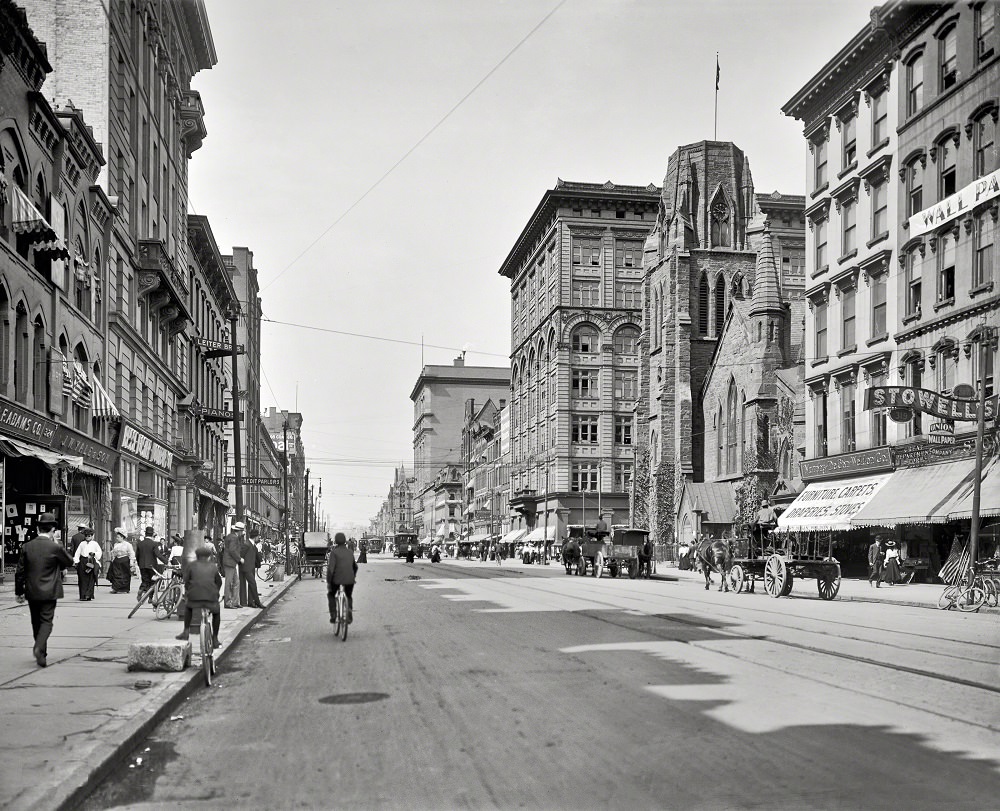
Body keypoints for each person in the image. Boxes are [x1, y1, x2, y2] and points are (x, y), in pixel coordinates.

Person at [15, 512, 74, 667]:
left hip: (32, 590)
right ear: (52, 529)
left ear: (37, 528)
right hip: (50, 591)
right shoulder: (55, 547)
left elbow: (19, 571)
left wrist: (19, 592)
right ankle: (39, 648)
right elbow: (69, 561)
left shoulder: (27, 546)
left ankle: (42, 654)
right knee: (46, 621)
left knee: (36, 622)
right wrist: (58, 546)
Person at [175, 546, 222, 649]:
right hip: (211, 598)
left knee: (188, 608)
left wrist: (189, 592)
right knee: (216, 613)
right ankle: (215, 639)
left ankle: (186, 631)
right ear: (209, 557)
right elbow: (219, 581)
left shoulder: (191, 566)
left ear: (197, 556)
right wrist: (216, 592)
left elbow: (186, 581)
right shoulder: (213, 566)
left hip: (194, 598)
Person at [327, 531, 358, 624]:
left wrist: (329, 582)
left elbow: (331, 569)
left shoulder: (334, 552)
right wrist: (353, 576)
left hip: (336, 579)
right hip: (350, 579)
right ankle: (349, 610)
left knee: (331, 594)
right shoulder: (349, 552)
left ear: (336, 541)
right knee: (348, 596)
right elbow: (355, 567)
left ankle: (333, 614)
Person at [73, 530, 102, 600]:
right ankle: (83, 595)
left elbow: (99, 552)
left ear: (92, 536)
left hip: (91, 561)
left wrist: (94, 553)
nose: (87, 537)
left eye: (89, 536)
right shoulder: (82, 544)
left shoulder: (95, 544)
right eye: (86, 536)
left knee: (91, 579)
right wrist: (76, 561)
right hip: (83, 561)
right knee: (82, 579)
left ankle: (88, 595)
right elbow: (77, 553)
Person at [136, 527, 166, 594]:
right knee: (152, 581)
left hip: (142, 565)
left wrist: (139, 564)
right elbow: (158, 555)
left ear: (145, 534)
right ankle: (150, 598)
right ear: (152, 534)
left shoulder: (140, 544)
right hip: (151, 566)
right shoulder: (154, 544)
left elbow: (137, 555)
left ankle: (141, 589)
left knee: (144, 580)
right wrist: (166, 561)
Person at [108, 527, 138, 593]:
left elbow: (131, 553)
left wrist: (131, 562)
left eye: (118, 537)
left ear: (122, 537)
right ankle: (116, 588)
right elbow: (114, 553)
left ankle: (124, 589)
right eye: (117, 537)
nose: (117, 538)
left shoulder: (128, 545)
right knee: (116, 575)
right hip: (117, 561)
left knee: (125, 575)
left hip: (124, 561)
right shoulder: (116, 544)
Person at [222, 521, 244, 608]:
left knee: (236, 582)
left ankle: (235, 602)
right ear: (239, 531)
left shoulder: (230, 536)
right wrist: (239, 559)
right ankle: (228, 602)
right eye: (242, 531)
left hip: (230, 562)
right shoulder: (234, 538)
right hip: (230, 562)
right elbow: (232, 550)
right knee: (229, 582)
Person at [241, 528, 264, 608]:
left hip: (251, 567)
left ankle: (251, 602)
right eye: (258, 536)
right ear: (255, 536)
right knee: (253, 584)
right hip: (247, 568)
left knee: (251, 585)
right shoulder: (246, 544)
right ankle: (257, 602)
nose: (259, 538)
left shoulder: (253, 545)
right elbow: (241, 556)